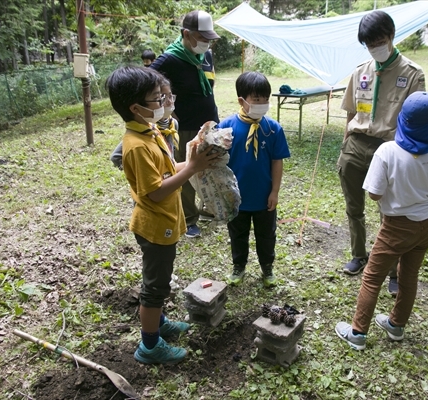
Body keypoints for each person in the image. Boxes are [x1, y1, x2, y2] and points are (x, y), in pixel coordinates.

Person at [105, 66, 219, 364]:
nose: (164, 103)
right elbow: (155, 191)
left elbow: (168, 171)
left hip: (164, 221)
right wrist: (192, 169)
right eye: (157, 98)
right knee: (154, 288)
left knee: (162, 281)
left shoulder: (151, 131)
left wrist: (193, 162)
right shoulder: (136, 146)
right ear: (136, 107)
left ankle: (160, 323)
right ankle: (150, 345)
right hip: (155, 227)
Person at [335, 91, 428, 350]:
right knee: (408, 276)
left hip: (396, 226)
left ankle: (357, 333)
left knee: (372, 277)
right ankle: (396, 326)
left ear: (402, 120)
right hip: (426, 226)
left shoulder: (387, 151)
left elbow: (375, 194)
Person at [338, 10, 426, 296]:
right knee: (354, 208)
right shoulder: (360, 71)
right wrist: (345, 144)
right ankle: (358, 254)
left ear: (390, 36)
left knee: (391, 213)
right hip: (356, 144)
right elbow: (351, 112)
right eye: (368, 43)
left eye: (378, 40)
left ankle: (392, 270)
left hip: (390, 149)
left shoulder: (412, 75)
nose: (374, 47)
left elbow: (417, 120)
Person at [216, 71, 290, 288]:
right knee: (238, 234)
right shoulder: (227, 127)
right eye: (257, 100)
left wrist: (274, 191)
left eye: (266, 99)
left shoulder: (273, 129)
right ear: (242, 100)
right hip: (236, 198)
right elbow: (216, 161)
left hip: (264, 197)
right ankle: (238, 266)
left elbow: (277, 161)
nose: (263, 104)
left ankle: (267, 268)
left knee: (266, 236)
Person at [150, 10, 220, 238]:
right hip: (186, 126)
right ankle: (189, 218)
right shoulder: (170, 59)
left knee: (211, 165)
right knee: (188, 170)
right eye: (202, 38)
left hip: (208, 123)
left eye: (209, 39)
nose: (206, 43)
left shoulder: (205, 56)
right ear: (186, 34)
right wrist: (168, 111)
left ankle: (207, 207)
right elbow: (145, 81)